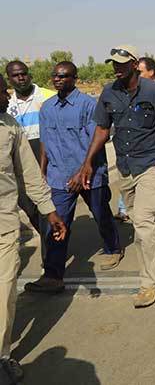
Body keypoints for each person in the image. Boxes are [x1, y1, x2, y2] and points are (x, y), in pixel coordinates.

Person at [73, 44, 155, 308]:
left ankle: (149, 283)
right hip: (125, 167)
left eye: (122, 63)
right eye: (114, 64)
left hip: (153, 164)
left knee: (145, 222)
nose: (117, 68)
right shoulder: (109, 93)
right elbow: (102, 128)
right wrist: (87, 162)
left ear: (135, 64)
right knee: (140, 223)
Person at [25, 61, 123, 294]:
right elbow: (45, 143)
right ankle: (53, 274)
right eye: (55, 76)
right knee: (57, 224)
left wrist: (83, 171)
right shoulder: (47, 108)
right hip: (59, 177)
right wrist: (42, 172)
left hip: (90, 173)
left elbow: (97, 140)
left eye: (63, 76)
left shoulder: (89, 105)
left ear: (74, 78)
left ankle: (113, 248)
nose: (57, 79)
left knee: (101, 214)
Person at [0, 74, 66, 382]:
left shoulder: (10, 128)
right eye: (1, 92)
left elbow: (29, 174)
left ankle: (2, 356)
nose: (6, 97)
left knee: (4, 294)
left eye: (5, 91)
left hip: (4, 226)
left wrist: (50, 212)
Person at [5, 60, 54, 236]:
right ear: (9, 79)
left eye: (23, 73)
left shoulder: (48, 96)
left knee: (48, 201)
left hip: (46, 152)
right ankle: (48, 236)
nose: (21, 78)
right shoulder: (7, 104)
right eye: (15, 76)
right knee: (28, 205)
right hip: (19, 156)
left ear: (29, 74)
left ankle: (52, 248)